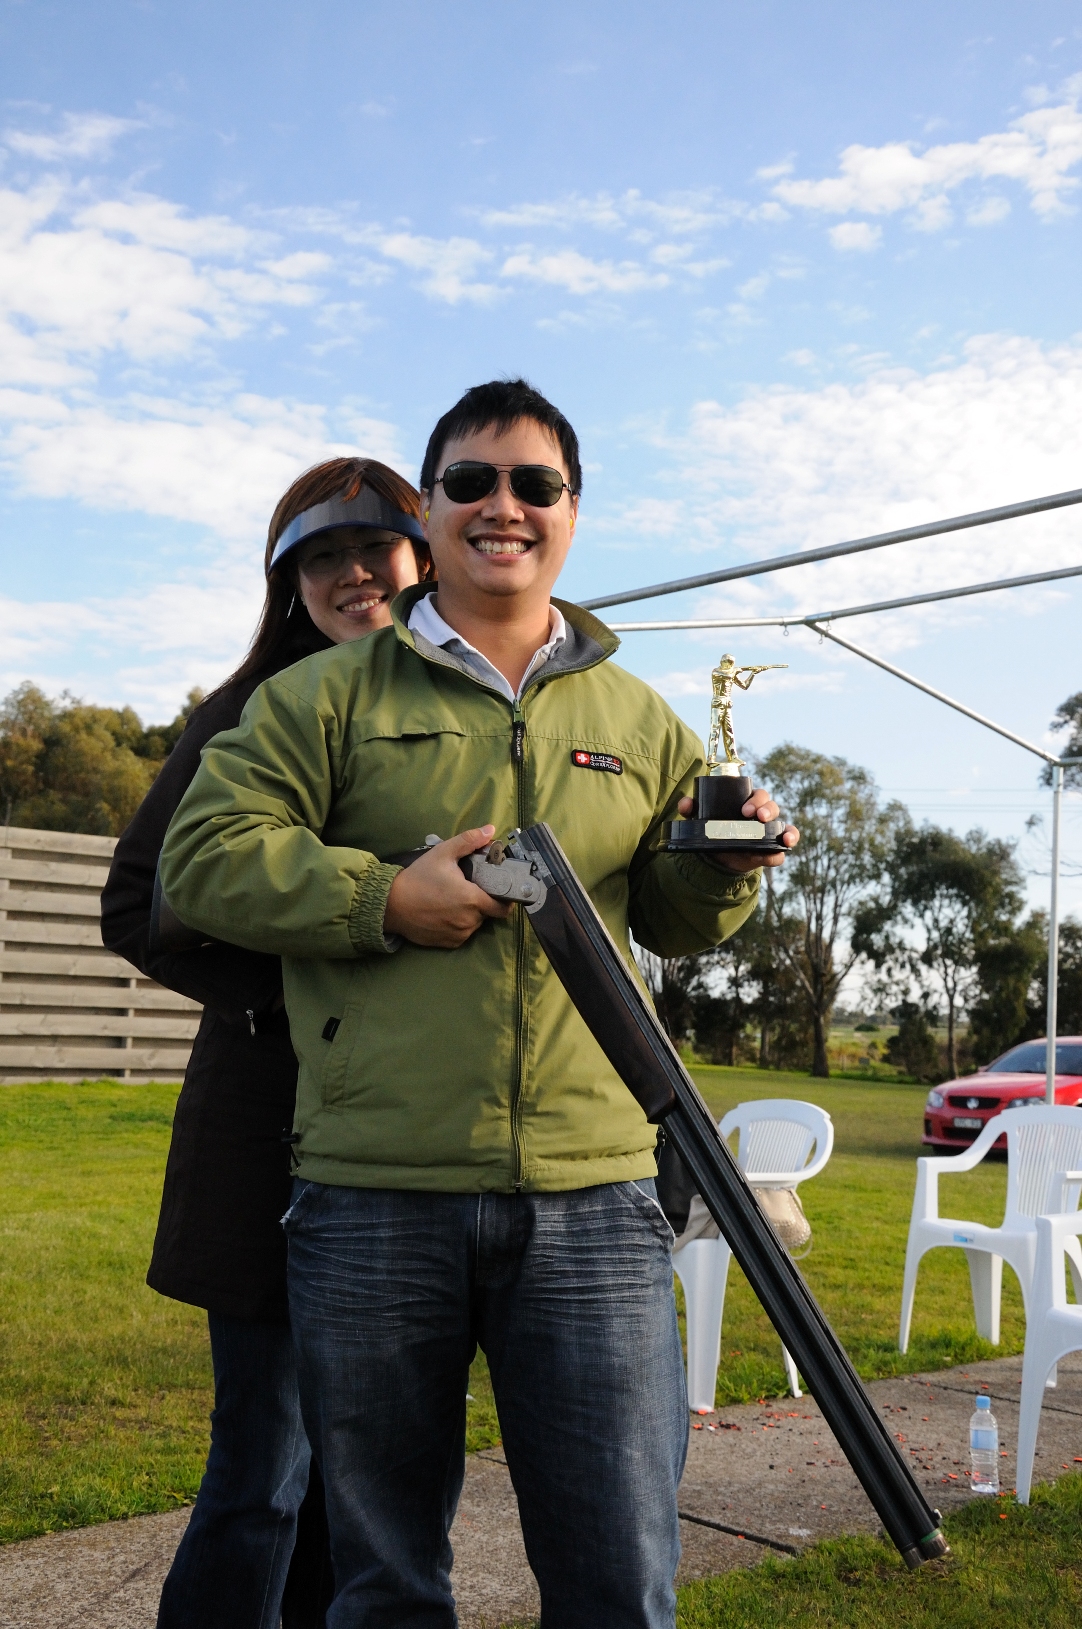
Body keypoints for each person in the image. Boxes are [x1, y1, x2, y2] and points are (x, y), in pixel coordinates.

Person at [159, 378, 799, 1629]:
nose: (500, 505)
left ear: (571, 511)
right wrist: (382, 900)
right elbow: (198, 863)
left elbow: (670, 923)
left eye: (532, 483)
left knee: (619, 1578)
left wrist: (721, 872)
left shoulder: (640, 718)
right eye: (468, 481)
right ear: (433, 507)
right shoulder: (321, 698)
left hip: (600, 1201)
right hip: (370, 1195)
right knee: (385, 1583)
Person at [100, 456, 432, 1629]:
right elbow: (138, 902)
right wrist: (296, 985)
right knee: (264, 1471)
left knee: (365, 1490)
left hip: (400, 1144)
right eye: (321, 559)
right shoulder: (248, 709)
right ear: (289, 583)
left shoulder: (444, 706)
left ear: (420, 554)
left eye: (373, 549)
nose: (351, 574)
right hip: (265, 1135)